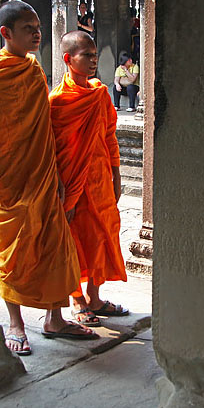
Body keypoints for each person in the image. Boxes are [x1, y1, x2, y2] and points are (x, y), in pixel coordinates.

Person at [0, 0, 98, 354]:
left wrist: (57, 172)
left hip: (43, 173)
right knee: (12, 250)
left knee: (55, 245)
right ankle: (15, 324)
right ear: (6, 33)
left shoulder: (34, 70)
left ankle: (55, 317)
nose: (37, 34)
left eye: (38, 28)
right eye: (28, 29)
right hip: (8, 178)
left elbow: (43, 126)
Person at [49, 31, 130, 327]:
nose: (94, 60)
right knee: (74, 242)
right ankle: (77, 300)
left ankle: (95, 296)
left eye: (95, 55)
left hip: (99, 180)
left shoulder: (98, 94)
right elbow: (54, 150)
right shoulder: (57, 102)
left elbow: (109, 135)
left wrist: (116, 172)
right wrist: (60, 187)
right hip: (73, 185)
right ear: (69, 59)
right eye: (87, 55)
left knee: (101, 238)